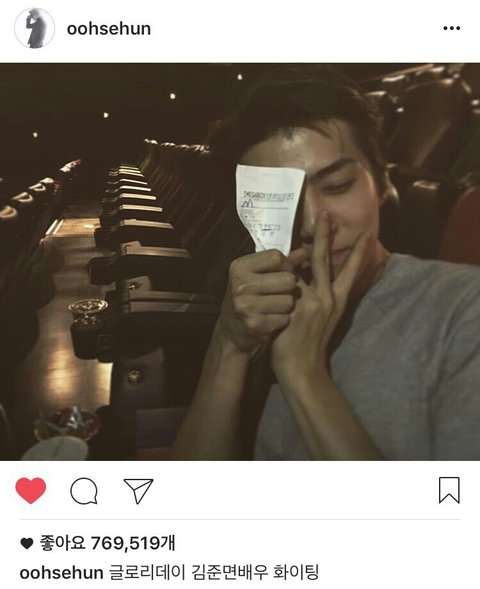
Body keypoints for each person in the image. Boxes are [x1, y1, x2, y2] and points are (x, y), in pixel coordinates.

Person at [171, 66, 480, 461]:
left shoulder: (462, 308)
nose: (312, 225)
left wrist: (303, 373)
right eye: (281, 202)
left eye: (337, 186)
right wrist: (228, 342)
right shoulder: (265, 300)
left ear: (382, 182)